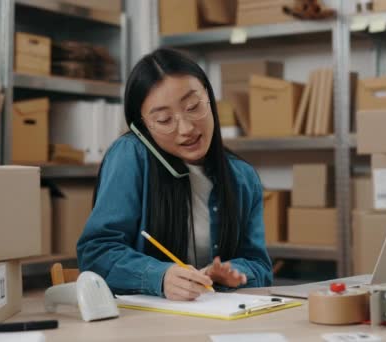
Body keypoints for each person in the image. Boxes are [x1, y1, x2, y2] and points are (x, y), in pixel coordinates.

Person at [77, 48, 273, 301]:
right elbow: (96, 253)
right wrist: (160, 276)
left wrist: (232, 273)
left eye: (193, 107)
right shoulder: (130, 155)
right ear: (142, 126)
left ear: (209, 97)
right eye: (164, 119)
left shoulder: (242, 177)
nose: (187, 129)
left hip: (215, 314)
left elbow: (260, 266)